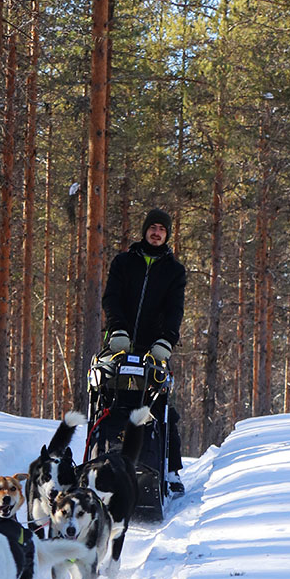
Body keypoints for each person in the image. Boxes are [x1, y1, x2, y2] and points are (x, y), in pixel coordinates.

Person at [101, 207, 186, 494]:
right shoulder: (124, 262)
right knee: (106, 397)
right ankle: (101, 456)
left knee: (160, 407)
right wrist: (117, 330)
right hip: (119, 344)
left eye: (162, 229)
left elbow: (175, 310)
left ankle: (171, 470)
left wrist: (166, 340)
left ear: (167, 234)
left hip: (154, 350)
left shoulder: (175, 271)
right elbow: (111, 297)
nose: (157, 232)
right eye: (153, 227)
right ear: (145, 230)